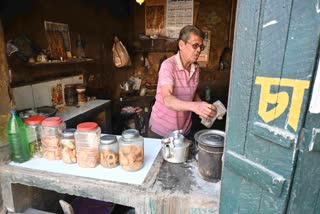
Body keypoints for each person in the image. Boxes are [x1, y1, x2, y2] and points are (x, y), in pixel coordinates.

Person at [148, 25, 217, 138]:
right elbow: (167, 99)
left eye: (201, 47)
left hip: (183, 131)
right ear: (181, 44)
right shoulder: (168, 66)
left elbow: (192, 92)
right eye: (195, 45)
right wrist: (195, 107)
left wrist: (202, 109)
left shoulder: (196, 68)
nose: (199, 50)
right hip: (161, 132)